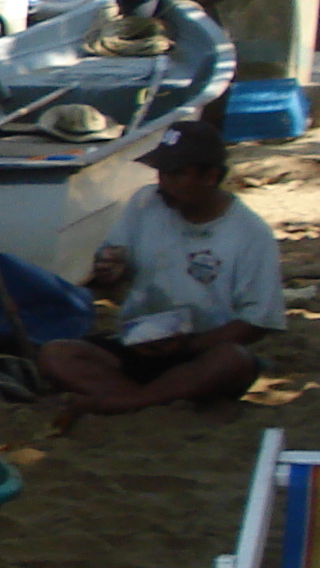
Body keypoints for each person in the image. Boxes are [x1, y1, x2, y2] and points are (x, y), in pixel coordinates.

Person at [38, 119, 282, 418]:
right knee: (56, 354)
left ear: (210, 177)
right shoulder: (145, 202)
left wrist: (187, 347)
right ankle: (141, 400)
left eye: (177, 174)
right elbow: (112, 265)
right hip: (138, 342)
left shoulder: (250, 233)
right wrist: (110, 268)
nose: (164, 182)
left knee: (233, 361)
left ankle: (122, 401)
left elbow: (257, 322)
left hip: (199, 351)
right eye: (162, 172)